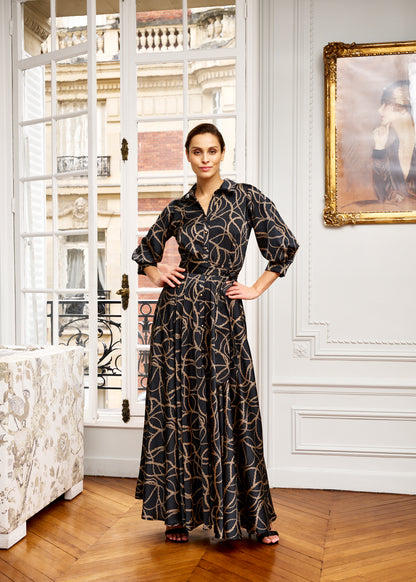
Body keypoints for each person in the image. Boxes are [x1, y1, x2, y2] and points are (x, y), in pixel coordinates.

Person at [132, 123, 299, 545]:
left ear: (223, 153)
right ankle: (178, 516)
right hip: (177, 318)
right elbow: (144, 254)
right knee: (181, 404)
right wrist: (158, 271)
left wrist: (255, 288)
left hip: (223, 316)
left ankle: (253, 519)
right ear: (187, 156)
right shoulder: (178, 208)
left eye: (211, 150)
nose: (204, 158)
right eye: (196, 151)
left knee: (231, 405)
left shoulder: (245, 197)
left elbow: (283, 245)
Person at [373, 80, 416, 202]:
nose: (379, 110)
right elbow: (382, 197)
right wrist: (379, 148)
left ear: (402, 108)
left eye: (386, 104)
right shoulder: (391, 150)